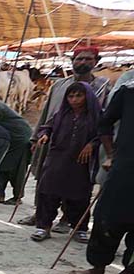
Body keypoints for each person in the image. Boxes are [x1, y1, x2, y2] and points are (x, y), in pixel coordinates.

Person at [58, 76, 134, 274]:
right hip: (125, 166)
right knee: (107, 217)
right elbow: (105, 122)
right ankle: (97, 268)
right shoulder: (128, 92)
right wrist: (110, 154)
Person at [19, 46, 109, 227]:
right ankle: (41, 216)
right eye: (79, 59)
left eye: (88, 59)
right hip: (55, 143)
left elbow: (106, 119)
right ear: (72, 62)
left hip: (84, 145)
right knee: (46, 180)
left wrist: (95, 144)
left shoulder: (103, 88)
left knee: (78, 183)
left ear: (96, 62)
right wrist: (38, 137)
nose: (82, 62)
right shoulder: (59, 86)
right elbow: (47, 113)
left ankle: (67, 218)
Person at [30, 82, 100, 243]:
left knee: (79, 196)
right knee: (48, 192)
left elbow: (103, 134)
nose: (74, 100)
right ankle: (44, 226)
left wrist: (92, 144)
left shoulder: (96, 116)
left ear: (87, 97)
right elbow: (46, 127)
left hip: (81, 162)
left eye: (78, 96)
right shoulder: (61, 114)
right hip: (57, 158)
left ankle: (79, 228)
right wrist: (45, 134)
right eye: (71, 96)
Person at [0, 102, 33, 205]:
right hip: (11, 138)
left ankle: (17, 197)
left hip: (21, 138)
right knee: (2, 165)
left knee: (17, 169)